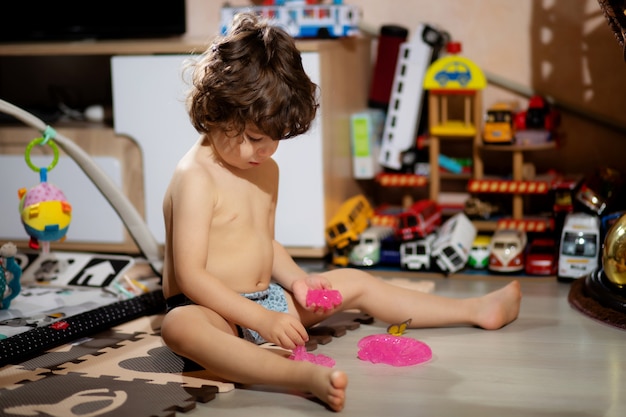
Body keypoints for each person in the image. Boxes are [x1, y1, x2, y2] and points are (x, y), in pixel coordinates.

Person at [160, 12, 522, 413]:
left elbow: (261, 242)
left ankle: (475, 310)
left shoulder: (264, 169)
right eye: (255, 138)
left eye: (275, 141)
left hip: (267, 303)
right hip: (213, 313)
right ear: (217, 109)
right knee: (180, 329)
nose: (264, 152)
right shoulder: (195, 177)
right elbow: (191, 276)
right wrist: (260, 322)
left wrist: (298, 282)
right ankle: (297, 376)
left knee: (355, 280)